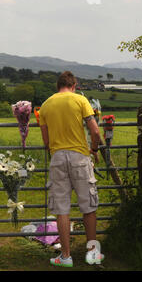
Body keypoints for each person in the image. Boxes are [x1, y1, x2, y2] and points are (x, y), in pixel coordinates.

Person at [39, 71, 104, 268]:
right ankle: (92, 253)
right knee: (89, 206)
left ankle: (66, 256)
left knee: (62, 209)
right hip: (80, 156)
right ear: (74, 85)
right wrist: (94, 149)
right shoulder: (80, 101)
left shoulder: (45, 105)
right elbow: (94, 131)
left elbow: (46, 140)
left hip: (58, 157)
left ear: (58, 86)